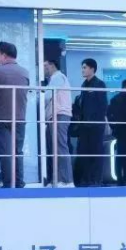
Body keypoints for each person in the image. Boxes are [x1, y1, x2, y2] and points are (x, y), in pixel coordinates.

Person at [0, 42, 29, 188]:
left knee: (5, 152)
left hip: (2, 116)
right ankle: (19, 181)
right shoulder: (25, 72)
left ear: (4, 55)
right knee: (17, 151)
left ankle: (8, 183)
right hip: (20, 117)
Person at [73, 58, 108, 187]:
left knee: (96, 152)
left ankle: (95, 180)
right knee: (84, 153)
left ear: (92, 69)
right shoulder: (83, 85)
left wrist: (97, 120)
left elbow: (103, 105)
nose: (82, 70)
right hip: (84, 126)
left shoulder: (99, 84)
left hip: (95, 125)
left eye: (85, 67)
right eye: (82, 68)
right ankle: (85, 179)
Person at [43, 58, 74, 186]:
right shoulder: (55, 78)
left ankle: (66, 180)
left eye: (45, 66)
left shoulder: (58, 77)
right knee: (54, 148)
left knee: (60, 147)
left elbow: (47, 96)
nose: (44, 69)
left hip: (59, 115)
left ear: (52, 65)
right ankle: (57, 179)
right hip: (55, 115)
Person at [109, 80, 126, 186]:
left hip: (120, 131)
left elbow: (110, 115)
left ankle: (120, 179)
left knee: (120, 156)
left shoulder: (114, 99)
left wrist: (114, 127)